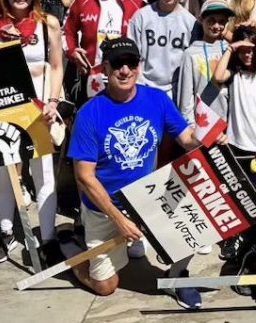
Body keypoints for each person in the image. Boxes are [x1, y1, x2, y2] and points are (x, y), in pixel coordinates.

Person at [68, 38, 213, 307]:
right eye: (117, 64)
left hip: (146, 197)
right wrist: (120, 220)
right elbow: (85, 176)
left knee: (198, 219)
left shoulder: (156, 99)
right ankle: (76, 256)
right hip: (105, 207)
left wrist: (209, 137)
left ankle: (178, 275)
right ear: (105, 67)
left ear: (139, 65)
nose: (125, 70)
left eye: (131, 63)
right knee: (105, 287)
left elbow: (186, 138)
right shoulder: (90, 113)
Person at [0, 0, 65, 266]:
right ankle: (6, 232)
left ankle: (48, 238)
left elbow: (56, 65)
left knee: (43, 172)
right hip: (5, 107)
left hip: (39, 108)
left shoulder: (48, 24)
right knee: (4, 172)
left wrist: (53, 102)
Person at [212, 25, 256, 261]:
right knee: (231, 194)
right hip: (233, 148)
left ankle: (252, 240)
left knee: (254, 197)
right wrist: (232, 48)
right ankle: (232, 237)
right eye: (243, 50)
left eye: (252, 50)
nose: (247, 54)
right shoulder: (234, 76)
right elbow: (217, 76)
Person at [63, 0, 147, 102]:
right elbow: (66, 31)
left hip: (125, 80)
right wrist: (72, 51)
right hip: (90, 79)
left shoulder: (140, 3)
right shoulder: (82, 0)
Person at [128, 0, 198, 101]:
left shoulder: (191, 23)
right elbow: (133, 55)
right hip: (145, 88)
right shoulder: (141, 17)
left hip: (177, 91)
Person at [177, 0, 233, 127]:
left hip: (230, 125)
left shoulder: (231, 50)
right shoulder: (190, 54)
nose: (216, 26)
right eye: (211, 20)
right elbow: (186, 96)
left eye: (221, 22)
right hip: (203, 125)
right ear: (201, 20)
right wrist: (190, 127)